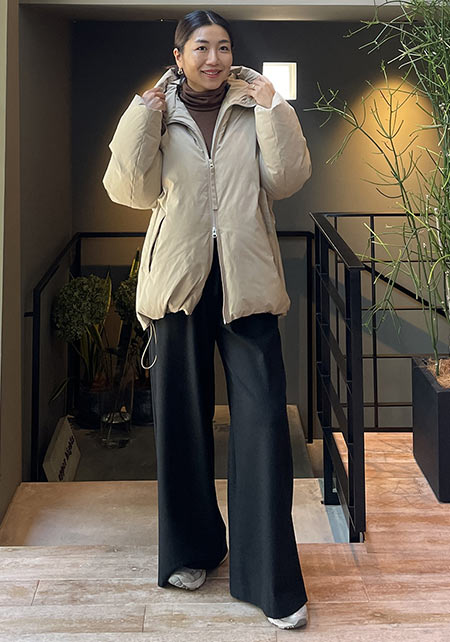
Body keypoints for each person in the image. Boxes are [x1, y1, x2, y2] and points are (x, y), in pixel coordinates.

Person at [102, 9, 312, 630]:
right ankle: (190, 551)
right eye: (201, 47)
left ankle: (269, 578)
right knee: (181, 422)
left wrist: (274, 109)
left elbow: (286, 178)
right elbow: (128, 190)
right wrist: (141, 115)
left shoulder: (254, 106)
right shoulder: (159, 112)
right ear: (179, 55)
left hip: (248, 282)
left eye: (222, 46)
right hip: (179, 282)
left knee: (264, 424)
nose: (214, 58)